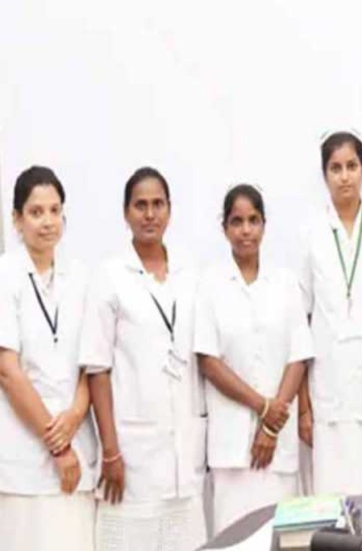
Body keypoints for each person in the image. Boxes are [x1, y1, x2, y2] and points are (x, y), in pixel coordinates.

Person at [79, 167, 207, 550]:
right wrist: (111, 450)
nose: (150, 214)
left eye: (158, 204)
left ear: (169, 209)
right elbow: (97, 369)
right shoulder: (109, 275)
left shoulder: (189, 272)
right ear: (126, 213)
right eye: (140, 205)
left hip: (183, 454)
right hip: (131, 455)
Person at [195, 185, 312, 534]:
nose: (245, 230)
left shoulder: (285, 282)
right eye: (237, 222)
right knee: (234, 538)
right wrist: (263, 407)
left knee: (281, 537)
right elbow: (209, 362)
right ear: (224, 228)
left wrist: (271, 426)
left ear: (264, 225)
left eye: (253, 220)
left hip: (278, 446)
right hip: (231, 448)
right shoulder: (210, 284)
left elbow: (299, 356)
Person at [297, 132, 362, 495]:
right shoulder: (311, 233)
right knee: (331, 502)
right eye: (336, 168)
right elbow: (300, 323)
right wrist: (304, 406)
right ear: (324, 174)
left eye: (352, 166)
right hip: (329, 392)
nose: (344, 176)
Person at [0, 166, 98, 550]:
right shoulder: (5, 276)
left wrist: (75, 414)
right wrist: (57, 444)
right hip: (25, 462)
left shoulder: (81, 276)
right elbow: (8, 370)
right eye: (36, 212)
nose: (47, 222)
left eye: (55, 211)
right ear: (17, 219)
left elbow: (92, 361)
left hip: (78, 453)